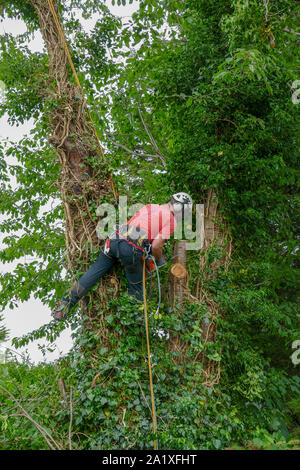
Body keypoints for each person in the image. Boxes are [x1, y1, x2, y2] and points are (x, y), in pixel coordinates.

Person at [51, 192, 193, 320]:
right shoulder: (172, 220)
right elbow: (157, 246)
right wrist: (156, 259)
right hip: (131, 249)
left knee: (92, 274)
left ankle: (64, 305)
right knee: (137, 288)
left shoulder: (150, 207)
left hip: (114, 241)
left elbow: (132, 225)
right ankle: (136, 320)